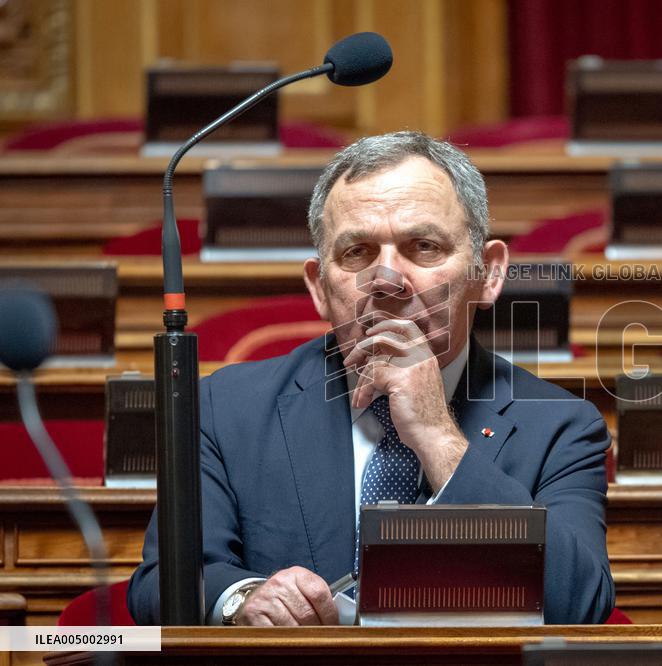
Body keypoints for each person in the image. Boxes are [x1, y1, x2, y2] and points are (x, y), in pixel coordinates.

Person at [127, 131, 614, 626]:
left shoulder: (561, 426)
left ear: (487, 275)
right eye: (357, 252)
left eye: (423, 247)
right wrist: (241, 599)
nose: (387, 280)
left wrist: (437, 436)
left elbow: (579, 603)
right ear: (319, 287)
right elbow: (160, 584)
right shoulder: (225, 409)